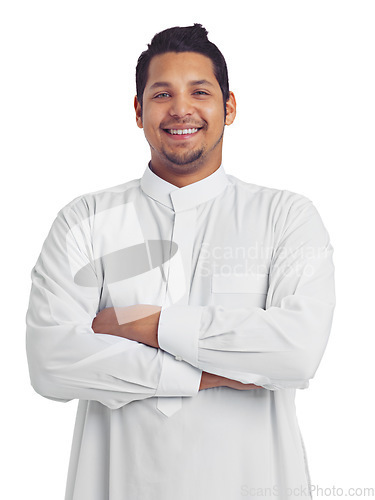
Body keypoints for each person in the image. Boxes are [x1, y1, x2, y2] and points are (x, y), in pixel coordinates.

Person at [26, 24, 335, 500]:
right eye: (162, 93)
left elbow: (296, 353)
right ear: (138, 110)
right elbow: (50, 363)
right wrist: (208, 373)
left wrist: (146, 324)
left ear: (229, 108)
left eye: (200, 92)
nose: (180, 109)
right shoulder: (85, 221)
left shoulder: (286, 216)